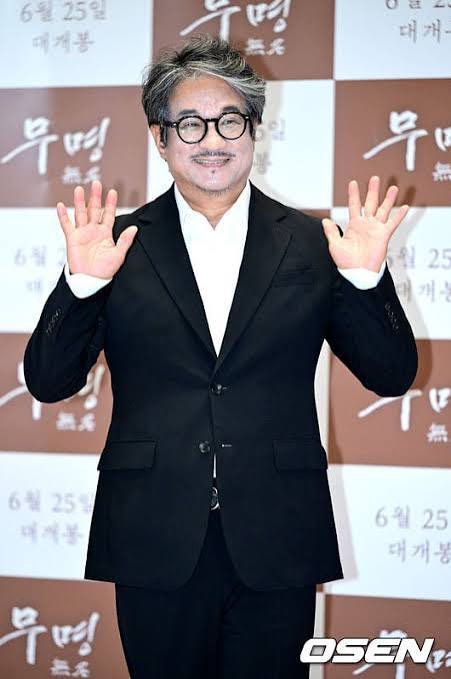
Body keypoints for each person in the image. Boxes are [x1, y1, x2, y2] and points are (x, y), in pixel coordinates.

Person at [24, 35, 417, 679]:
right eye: (190, 123)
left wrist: (367, 281)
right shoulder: (115, 245)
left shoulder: (313, 243)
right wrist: (82, 286)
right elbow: (47, 381)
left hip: (278, 532)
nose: (212, 139)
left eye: (230, 120)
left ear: (254, 129)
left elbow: (392, 375)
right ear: (161, 139)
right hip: (154, 531)